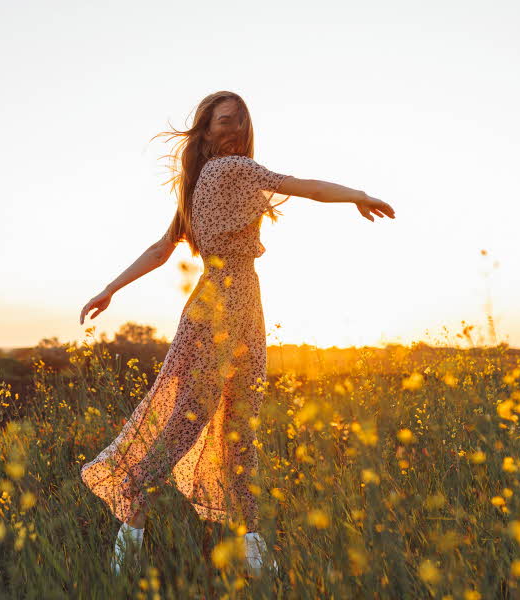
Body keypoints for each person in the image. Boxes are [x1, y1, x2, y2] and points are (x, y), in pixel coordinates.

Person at [78, 91, 395, 577]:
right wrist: (358, 194)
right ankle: (134, 503)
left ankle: (250, 548)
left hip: (235, 301)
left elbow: (163, 249)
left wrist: (109, 289)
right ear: (205, 131)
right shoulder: (233, 171)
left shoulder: (209, 177)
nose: (235, 130)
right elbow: (303, 186)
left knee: (235, 423)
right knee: (199, 416)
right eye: (225, 122)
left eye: (241, 122)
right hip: (224, 301)